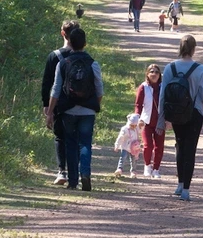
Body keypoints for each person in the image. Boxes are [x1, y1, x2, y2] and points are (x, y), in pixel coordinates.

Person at [156, 34, 203, 202]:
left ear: (180, 48)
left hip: (176, 113)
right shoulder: (200, 69)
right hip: (194, 113)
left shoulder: (169, 68)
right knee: (190, 150)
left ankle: (180, 184)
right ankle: (186, 189)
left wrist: (161, 119)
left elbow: (162, 96)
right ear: (194, 49)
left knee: (180, 147)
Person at [45, 28, 102, 191]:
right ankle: (85, 173)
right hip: (87, 112)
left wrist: (50, 113)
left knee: (70, 144)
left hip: (68, 111)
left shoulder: (63, 63)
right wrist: (93, 104)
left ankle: (72, 181)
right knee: (85, 143)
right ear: (85, 43)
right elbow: (100, 88)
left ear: (69, 42)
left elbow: (55, 89)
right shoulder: (93, 63)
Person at [41, 20, 79, 185]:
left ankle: (61, 171)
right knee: (76, 138)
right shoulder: (82, 56)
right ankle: (75, 173)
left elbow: (47, 83)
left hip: (58, 103)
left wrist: (46, 106)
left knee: (60, 137)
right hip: (79, 103)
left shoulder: (54, 56)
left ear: (62, 33)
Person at [134, 64, 165, 178]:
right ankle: (147, 166)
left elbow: (167, 104)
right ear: (147, 74)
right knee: (148, 145)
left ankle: (156, 169)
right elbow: (138, 105)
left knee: (159, 146)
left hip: (160, 122)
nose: (154, 74)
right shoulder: (143, 87)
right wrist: (137, 118)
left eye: (157, 72)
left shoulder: (163, 87)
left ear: (159, 75)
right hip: (146, 121)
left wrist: (168, 120)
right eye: (151, 71)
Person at [114, 113, 142, 178]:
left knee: (134, 160)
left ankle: (133, 171)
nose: (133, 127)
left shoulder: (136, 129)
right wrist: (117, 145)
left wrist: (141, 125)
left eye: (135, 125)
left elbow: (141, 130)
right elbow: (120, 138)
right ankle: (119, 169)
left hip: (134, 148)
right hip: (125, 147)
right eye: (132, 125)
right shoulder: (125, 129)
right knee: (123, 157)